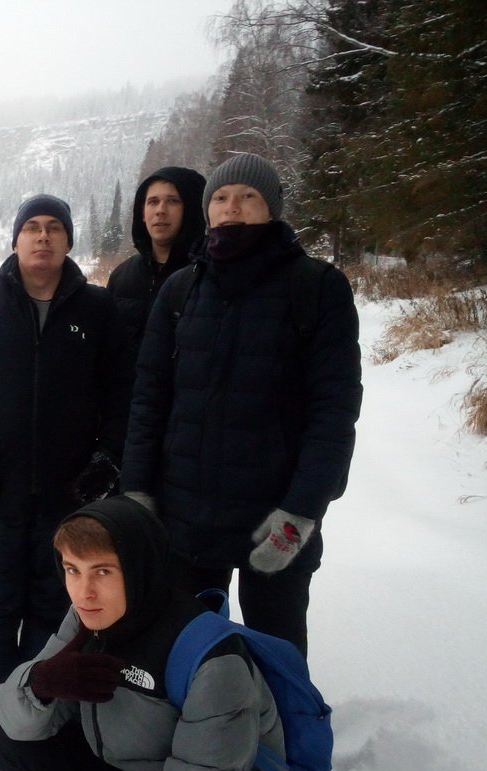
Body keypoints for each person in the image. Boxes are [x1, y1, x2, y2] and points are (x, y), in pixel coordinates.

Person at [0, 495, 303, 771]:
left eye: (102, 571)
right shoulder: (87, 620)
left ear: (140, 570)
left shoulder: (213, 664)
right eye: (72, 570)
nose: (84, 591)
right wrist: (42, 683)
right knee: (5, 739)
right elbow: (15, 720)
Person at [120, 153, 362, 656]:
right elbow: (149, 399)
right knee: (186, 653)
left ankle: (278, 712)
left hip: (272, 515)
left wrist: (301, 513)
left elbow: (334, 412)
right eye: (222, 198)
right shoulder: (181, 291)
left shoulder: (315, 287)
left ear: (271, 208)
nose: (232, 208)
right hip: (185, 515)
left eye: (248, 197)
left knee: (276, 655)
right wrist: (138, 491)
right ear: (207, 211)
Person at [0, 194, 132, 698]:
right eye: (32, 227)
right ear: (16, 240)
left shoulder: (97, 308)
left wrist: (107, 459)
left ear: (68, 241)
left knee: (55, 596)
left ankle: (40, 690)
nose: (42, 236)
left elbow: (120, 394)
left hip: (69, 491)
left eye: (53, 228)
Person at [105, 166, 206, 369]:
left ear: (191, 209)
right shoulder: (123, 276)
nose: (160, 210)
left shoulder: (207, 275)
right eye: (152, 202)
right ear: (142, 213)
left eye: (172, 201)